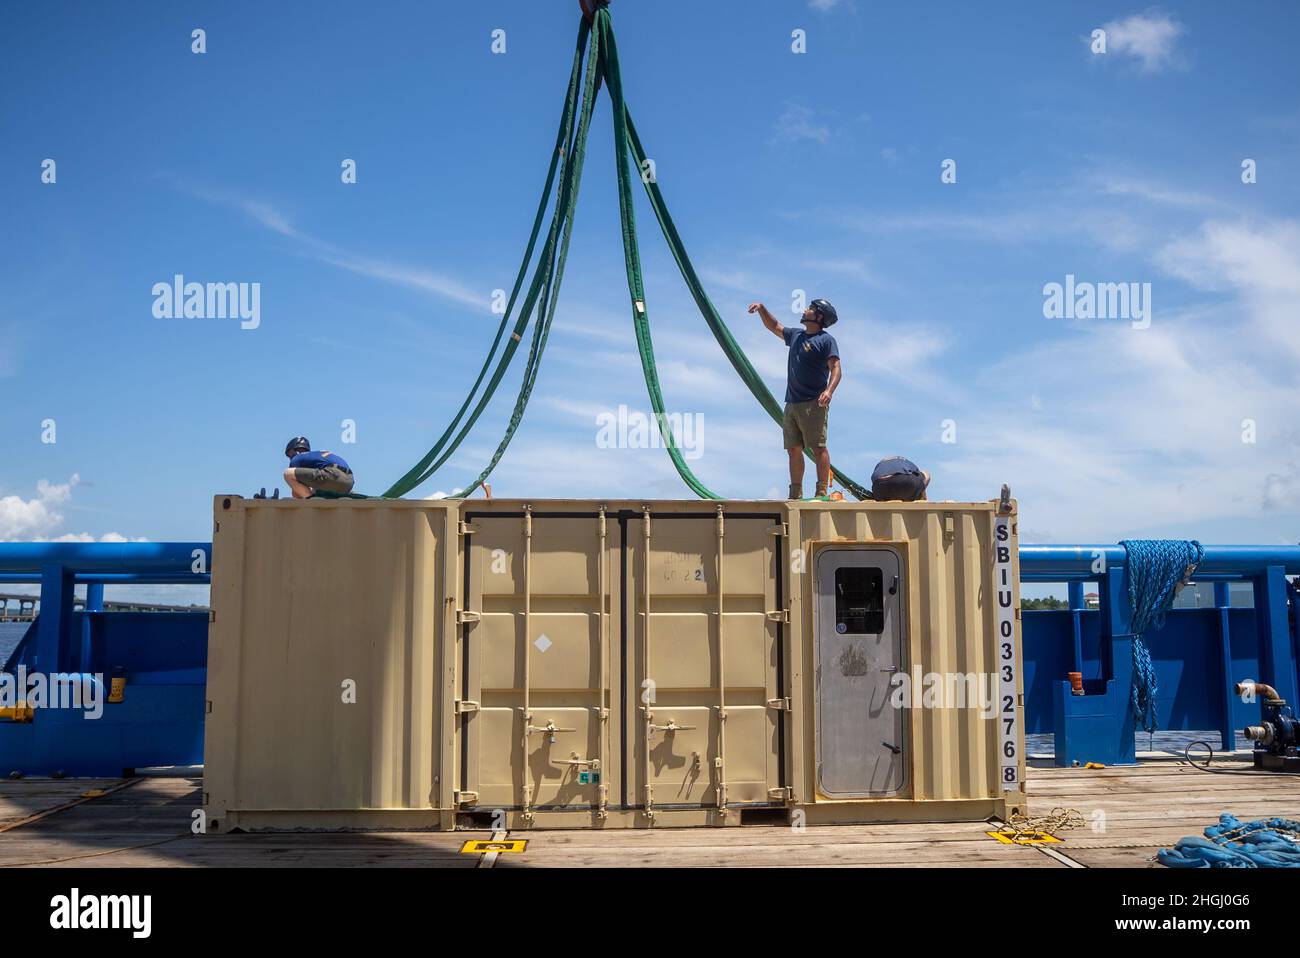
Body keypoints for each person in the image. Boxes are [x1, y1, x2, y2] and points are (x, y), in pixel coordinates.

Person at [748, 298, 842, 499]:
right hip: (792, 403)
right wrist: (763, 309)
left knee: (818, 448)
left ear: (819, 316)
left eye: (810, 308)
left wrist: (829, 391)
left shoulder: (826, 340)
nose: (805, 310)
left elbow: (836, 368)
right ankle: (796, 493)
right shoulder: (796, 335)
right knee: (793, 449)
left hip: (813, 403)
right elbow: (774, 326)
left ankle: (821, 491)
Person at [282, 437, 354, 498]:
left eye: (289, 454)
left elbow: (296, 493)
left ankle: (311, 502)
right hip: (349, 482)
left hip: (332, 474)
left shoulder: (297, 457)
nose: (290, 457)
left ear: (294, 450)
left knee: (288, 473)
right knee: (315, 490)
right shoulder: (317, 456)